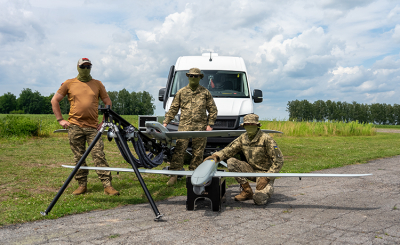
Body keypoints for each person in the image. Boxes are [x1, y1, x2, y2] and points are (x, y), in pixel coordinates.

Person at [51, 58, 120, 196]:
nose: (86, 69)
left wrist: (104, 121)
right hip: (75, 126)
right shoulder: (69, 83)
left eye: (88, 66)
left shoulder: (97, 84)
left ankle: (107, 186)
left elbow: (107, 102)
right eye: (83, 66)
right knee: (79, 156)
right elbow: (55, 100)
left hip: (93, 127)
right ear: (78, 67)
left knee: (98, 154)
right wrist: (60, 120)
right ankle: (82, 185)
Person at [204, 114, 283, 205]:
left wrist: (267, 177)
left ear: (257, 125)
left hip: (264, 172)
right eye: (247, 125)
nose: (249, 127)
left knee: (259, 199)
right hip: (250, 169)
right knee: (231, 162)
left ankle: (267, 188)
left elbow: (279, 160)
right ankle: (247, 191)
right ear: (244, 126)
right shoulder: (243, 137)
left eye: (252, 125)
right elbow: (230, 149)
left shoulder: (266, 139)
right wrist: (216, 156)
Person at [163, 67, 218, 186]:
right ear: (188, 77)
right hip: (184, 127)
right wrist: (166, 122)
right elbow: (173, 108)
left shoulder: (205, 92)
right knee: (179, 151)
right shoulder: (181, 92)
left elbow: (213, 110)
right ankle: (174, 175)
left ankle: (195, 175)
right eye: (191, 76)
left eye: (196, 76)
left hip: (200, 128)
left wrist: (210, 124)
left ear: (200, 78)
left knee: (198, 153)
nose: (193, 78)